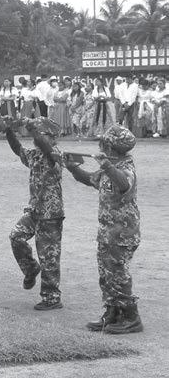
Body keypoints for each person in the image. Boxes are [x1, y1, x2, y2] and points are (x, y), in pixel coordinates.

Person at [65, 125, 143, 334]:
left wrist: (107, 165)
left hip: (123, 233)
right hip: (107, 231)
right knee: (106, 273)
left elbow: (124, 183)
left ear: (112, 147)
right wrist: (73, 168)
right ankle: (112, 312)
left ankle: (131, 317)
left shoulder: (126, 168)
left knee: (118, 273)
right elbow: (91, 179)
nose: (102, 147)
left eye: (105, 144)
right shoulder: (110, 167)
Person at [3, 116, 64, 310]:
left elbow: (45, 146)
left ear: (52, 137)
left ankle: (52, 298)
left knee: (48, 257)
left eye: (41, 134)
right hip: (35, 210)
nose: (36, 138)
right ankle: (30, 269)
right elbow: (18, 150)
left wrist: (33, 129)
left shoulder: (55, 154)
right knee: (16, 236)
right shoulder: (35, 154)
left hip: (51, 213)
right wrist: (8, 131)